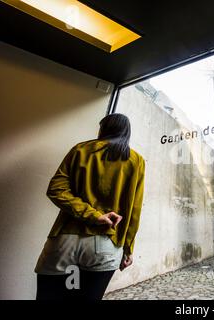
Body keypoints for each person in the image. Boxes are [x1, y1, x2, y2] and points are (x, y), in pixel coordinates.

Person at [34, 113, 145, 300]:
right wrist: (128, 248)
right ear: (126, 132)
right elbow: (134, 210)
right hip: (106, 242)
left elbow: (56, 190)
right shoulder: (136, 160)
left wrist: (93, 215)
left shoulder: (80, 150)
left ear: (103, 129)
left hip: (65, 239)